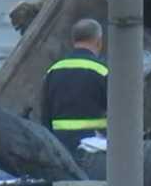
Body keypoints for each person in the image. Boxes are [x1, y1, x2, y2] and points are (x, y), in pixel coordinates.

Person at [41, 19, 109, 151]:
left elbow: (45, 114)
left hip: (60, 145)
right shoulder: (102, 70)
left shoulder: (53, 70)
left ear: (73, 40)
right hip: (94, 147)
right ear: (99, 41)